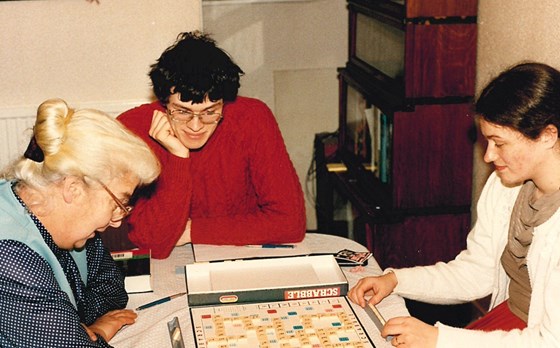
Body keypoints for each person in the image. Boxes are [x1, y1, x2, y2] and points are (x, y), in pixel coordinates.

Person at [347, 62, 560, 347]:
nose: (488, 156)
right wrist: (396, 280)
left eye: (500, 143)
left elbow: (551, 340)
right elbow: (477, 274)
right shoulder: (505, 184)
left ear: (548, 135)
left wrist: (440, 338)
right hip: (514, 329)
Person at [118, 31, 306, 259]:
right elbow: (154, 243)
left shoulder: (252, 117)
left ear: (224, 103)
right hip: (170, 263)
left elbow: (290, 222)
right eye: (182, 112)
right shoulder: (133, 127)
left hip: (244, 259)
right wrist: (178, 156)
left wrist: (188, 230)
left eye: (210, 112)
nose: (196, 126)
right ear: (163, 103)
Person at [0, 98, 160, 347]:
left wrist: (70, 325)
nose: (117, 222)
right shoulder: (9, 255)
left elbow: (112, 287)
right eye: (117, 204)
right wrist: (95, 333)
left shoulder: (73, 229)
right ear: (73, 189)